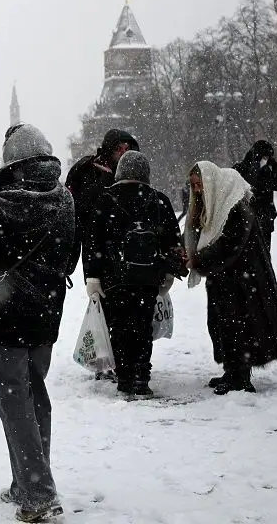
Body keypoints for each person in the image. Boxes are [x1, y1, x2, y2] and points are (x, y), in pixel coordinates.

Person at [0, 124, 74, 523]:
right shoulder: (65, 199)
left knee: (15, 404)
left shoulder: (3, 200)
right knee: (35, 396)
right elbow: (70, 256)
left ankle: (38, 494)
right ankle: (25, 483)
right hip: (47, 316)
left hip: (8, 318)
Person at [185, 161, 277, 394]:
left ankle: (240, 378)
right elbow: (203, 234)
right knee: (224, 325)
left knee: (239, 326)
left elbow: (228, 245)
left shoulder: (236, 207)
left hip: (244, 281)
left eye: (200, 185)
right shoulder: (218, 204)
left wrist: (197, 260)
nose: (197, 190)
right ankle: (232, 371)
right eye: (194, 186)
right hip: (226, 278)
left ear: (210, 183)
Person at [87, 151, 185, 396]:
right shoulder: (159, 200)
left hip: (114, 277)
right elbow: (172, 240)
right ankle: (141, 376)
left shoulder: (105, 200)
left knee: (118, 326)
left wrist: (93, 276)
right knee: (142, 326)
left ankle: (124, 376)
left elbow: (92, 242)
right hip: (148, 277)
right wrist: (168, 271)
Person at [66, 128, 138, 381]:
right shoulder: (87, 170)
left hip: (129, 249)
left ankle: (127, 360)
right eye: (119, 148)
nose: (124, 152)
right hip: (97, 247)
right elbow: (77, 208)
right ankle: (108, 358)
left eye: (127, 147)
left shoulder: (134, 169)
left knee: (131, 305)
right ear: (109, 149)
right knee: (104, 302)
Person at [233, 140, 277, 253]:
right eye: (264, 156)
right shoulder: (242, 168)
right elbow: (242, 183)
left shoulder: (270, 168)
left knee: (264, 255)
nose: (266, 160)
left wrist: (275, 169)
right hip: (245, 220)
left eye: (268, 157)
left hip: (265, 218)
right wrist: (256, 169)